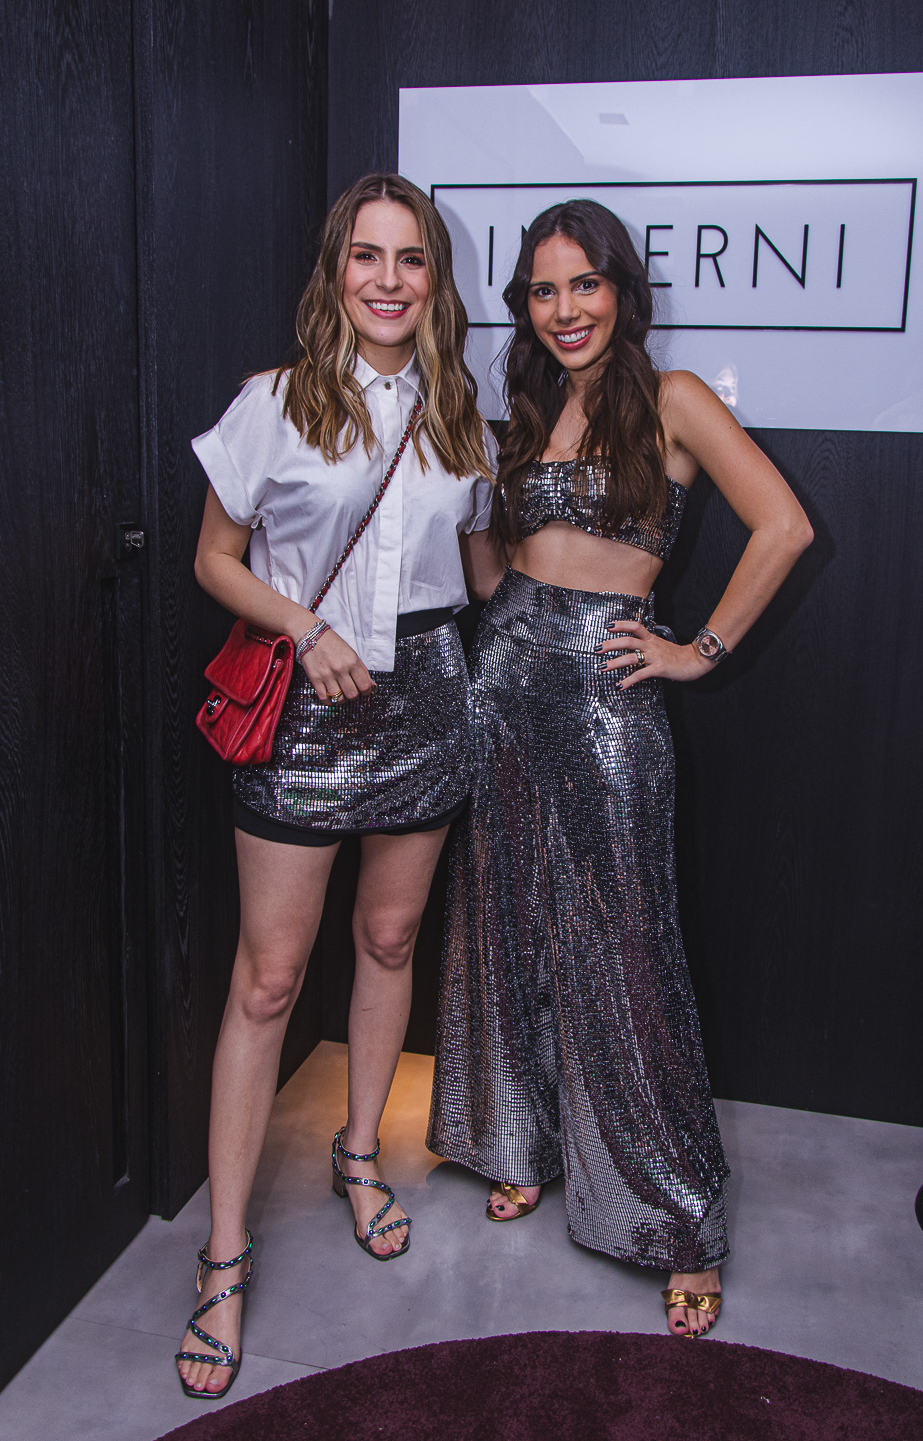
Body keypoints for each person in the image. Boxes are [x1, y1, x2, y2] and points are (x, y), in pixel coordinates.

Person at [428, 198, 812, 1339]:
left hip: (606, 689)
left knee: (623, 939)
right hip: (502, 676)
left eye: (582, 285)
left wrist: (699, 650)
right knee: (503, 918)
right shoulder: (526, 404)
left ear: (620, 291)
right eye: (543, 290)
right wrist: (478, 530)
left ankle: (675, 1213)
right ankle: (516, 1138)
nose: (564, 309)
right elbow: (492, 570)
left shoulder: (675, 397)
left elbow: (784, 526)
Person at [176, 173, 499, 1398]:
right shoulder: (274, 401)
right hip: (304, 707)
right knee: (267, 980)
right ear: (336, 271)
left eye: (410, 259)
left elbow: (483, 579)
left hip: (426, 699)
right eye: (366, 256)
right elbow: (215, 558)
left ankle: (359, 1154)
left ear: (434, 281)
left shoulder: (460, 414)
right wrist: (301, 626)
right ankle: (222, 1256)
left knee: (389, 936)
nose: (387, 279)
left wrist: (595, 560)